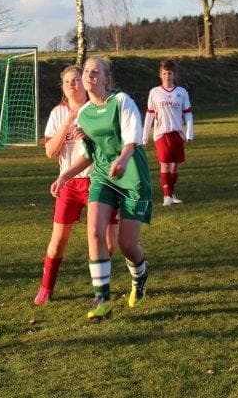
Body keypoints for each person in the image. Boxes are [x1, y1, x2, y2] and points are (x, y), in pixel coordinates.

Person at [50, 56, 152, 321]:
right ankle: (102, 298)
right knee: (94, 232)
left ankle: (139, 277)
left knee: (127, 244)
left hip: (131, 178)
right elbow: (87, 155)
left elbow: (133, 142)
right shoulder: (83, 114)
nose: (89, 76)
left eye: (96, 72)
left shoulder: (122, 102)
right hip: (103, 177)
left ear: (107, 79)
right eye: (86, 71)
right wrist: (65, 176)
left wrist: (122, 159)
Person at [34, 65, 118, 305]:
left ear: (85, 82)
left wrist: (91, 136)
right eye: (67, 81)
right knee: (58, 240)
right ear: (63, 87)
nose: (73, 84)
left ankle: (99, 281)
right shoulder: (58, 113)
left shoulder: (98, 109)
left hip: (99, 180)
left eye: (77, 80)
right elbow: (50, 152)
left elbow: (111, 145)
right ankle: (46, 288)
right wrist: (69, 121)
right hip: (69, 184)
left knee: (110, 242)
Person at [142, 59, 194, 207]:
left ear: (174, 74)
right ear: (160, 75)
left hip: (177, 133)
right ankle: (166, 196)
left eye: (169, 73)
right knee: (164, 165)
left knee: (174, 166)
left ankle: (171, 193)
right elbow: (150, 114)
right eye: (164, 73)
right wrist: (144, 135)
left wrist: (189, 131)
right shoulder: (155, 92)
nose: (167, 76)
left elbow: (188, 113)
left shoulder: (181, 92)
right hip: (161, 134)